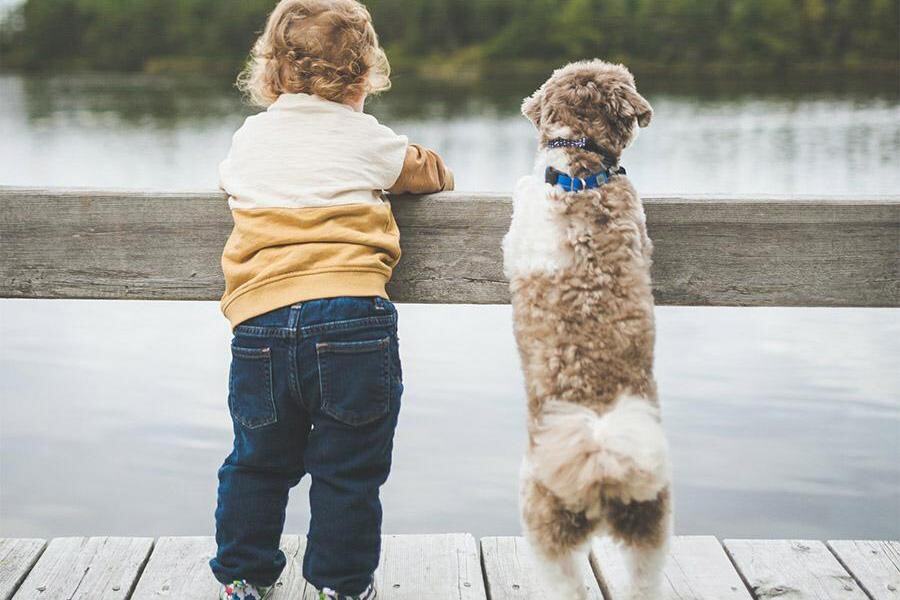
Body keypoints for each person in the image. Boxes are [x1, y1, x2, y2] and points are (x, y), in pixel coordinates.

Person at [209, 1, 454, 598]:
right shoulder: (365, 137)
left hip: (261, 323)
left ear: (270, 74)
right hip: (351, 319)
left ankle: (243, 577)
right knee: (349, 469)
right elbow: (429, 174)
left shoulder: (251, 137)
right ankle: (340, 586)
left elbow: (228, 180)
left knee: (257, 460)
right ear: (364, 75)